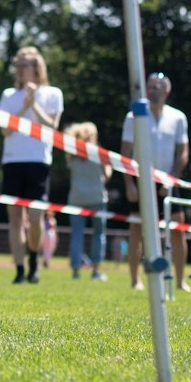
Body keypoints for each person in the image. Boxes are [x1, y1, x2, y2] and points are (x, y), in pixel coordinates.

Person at [0, 46, 62, 285]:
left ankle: (34, 260)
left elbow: (52, 128)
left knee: (35, 218)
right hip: (12, 161)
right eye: (18, 65)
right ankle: (19, 269)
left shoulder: (53, 93)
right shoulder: (8, 95)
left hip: (38, 162)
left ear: (36, 67)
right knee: (15, 218)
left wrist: (34, 103)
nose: (21, 69)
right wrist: (24, 105)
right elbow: (5, 130)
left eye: (25, 64)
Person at [122, 72, 190, 292]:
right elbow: (125, 152)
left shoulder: (178, 117)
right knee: (136, 229)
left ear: (167, 91)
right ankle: (135, 280)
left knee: (178, 231)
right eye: (149, 87)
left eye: (157, 87)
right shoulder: (134, 116)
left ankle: (180, 281)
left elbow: (182, 152)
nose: (153, 91)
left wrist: (172, 180)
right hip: (141, 180)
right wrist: (129, 184)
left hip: (168, 182)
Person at [61, 120, 109, 281]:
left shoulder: (71, 155)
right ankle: (96, 271)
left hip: (76, 199)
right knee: (99, 234)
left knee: (77, 235)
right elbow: (107, 175)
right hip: (97, 197)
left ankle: (75, 270)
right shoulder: (99, 154)